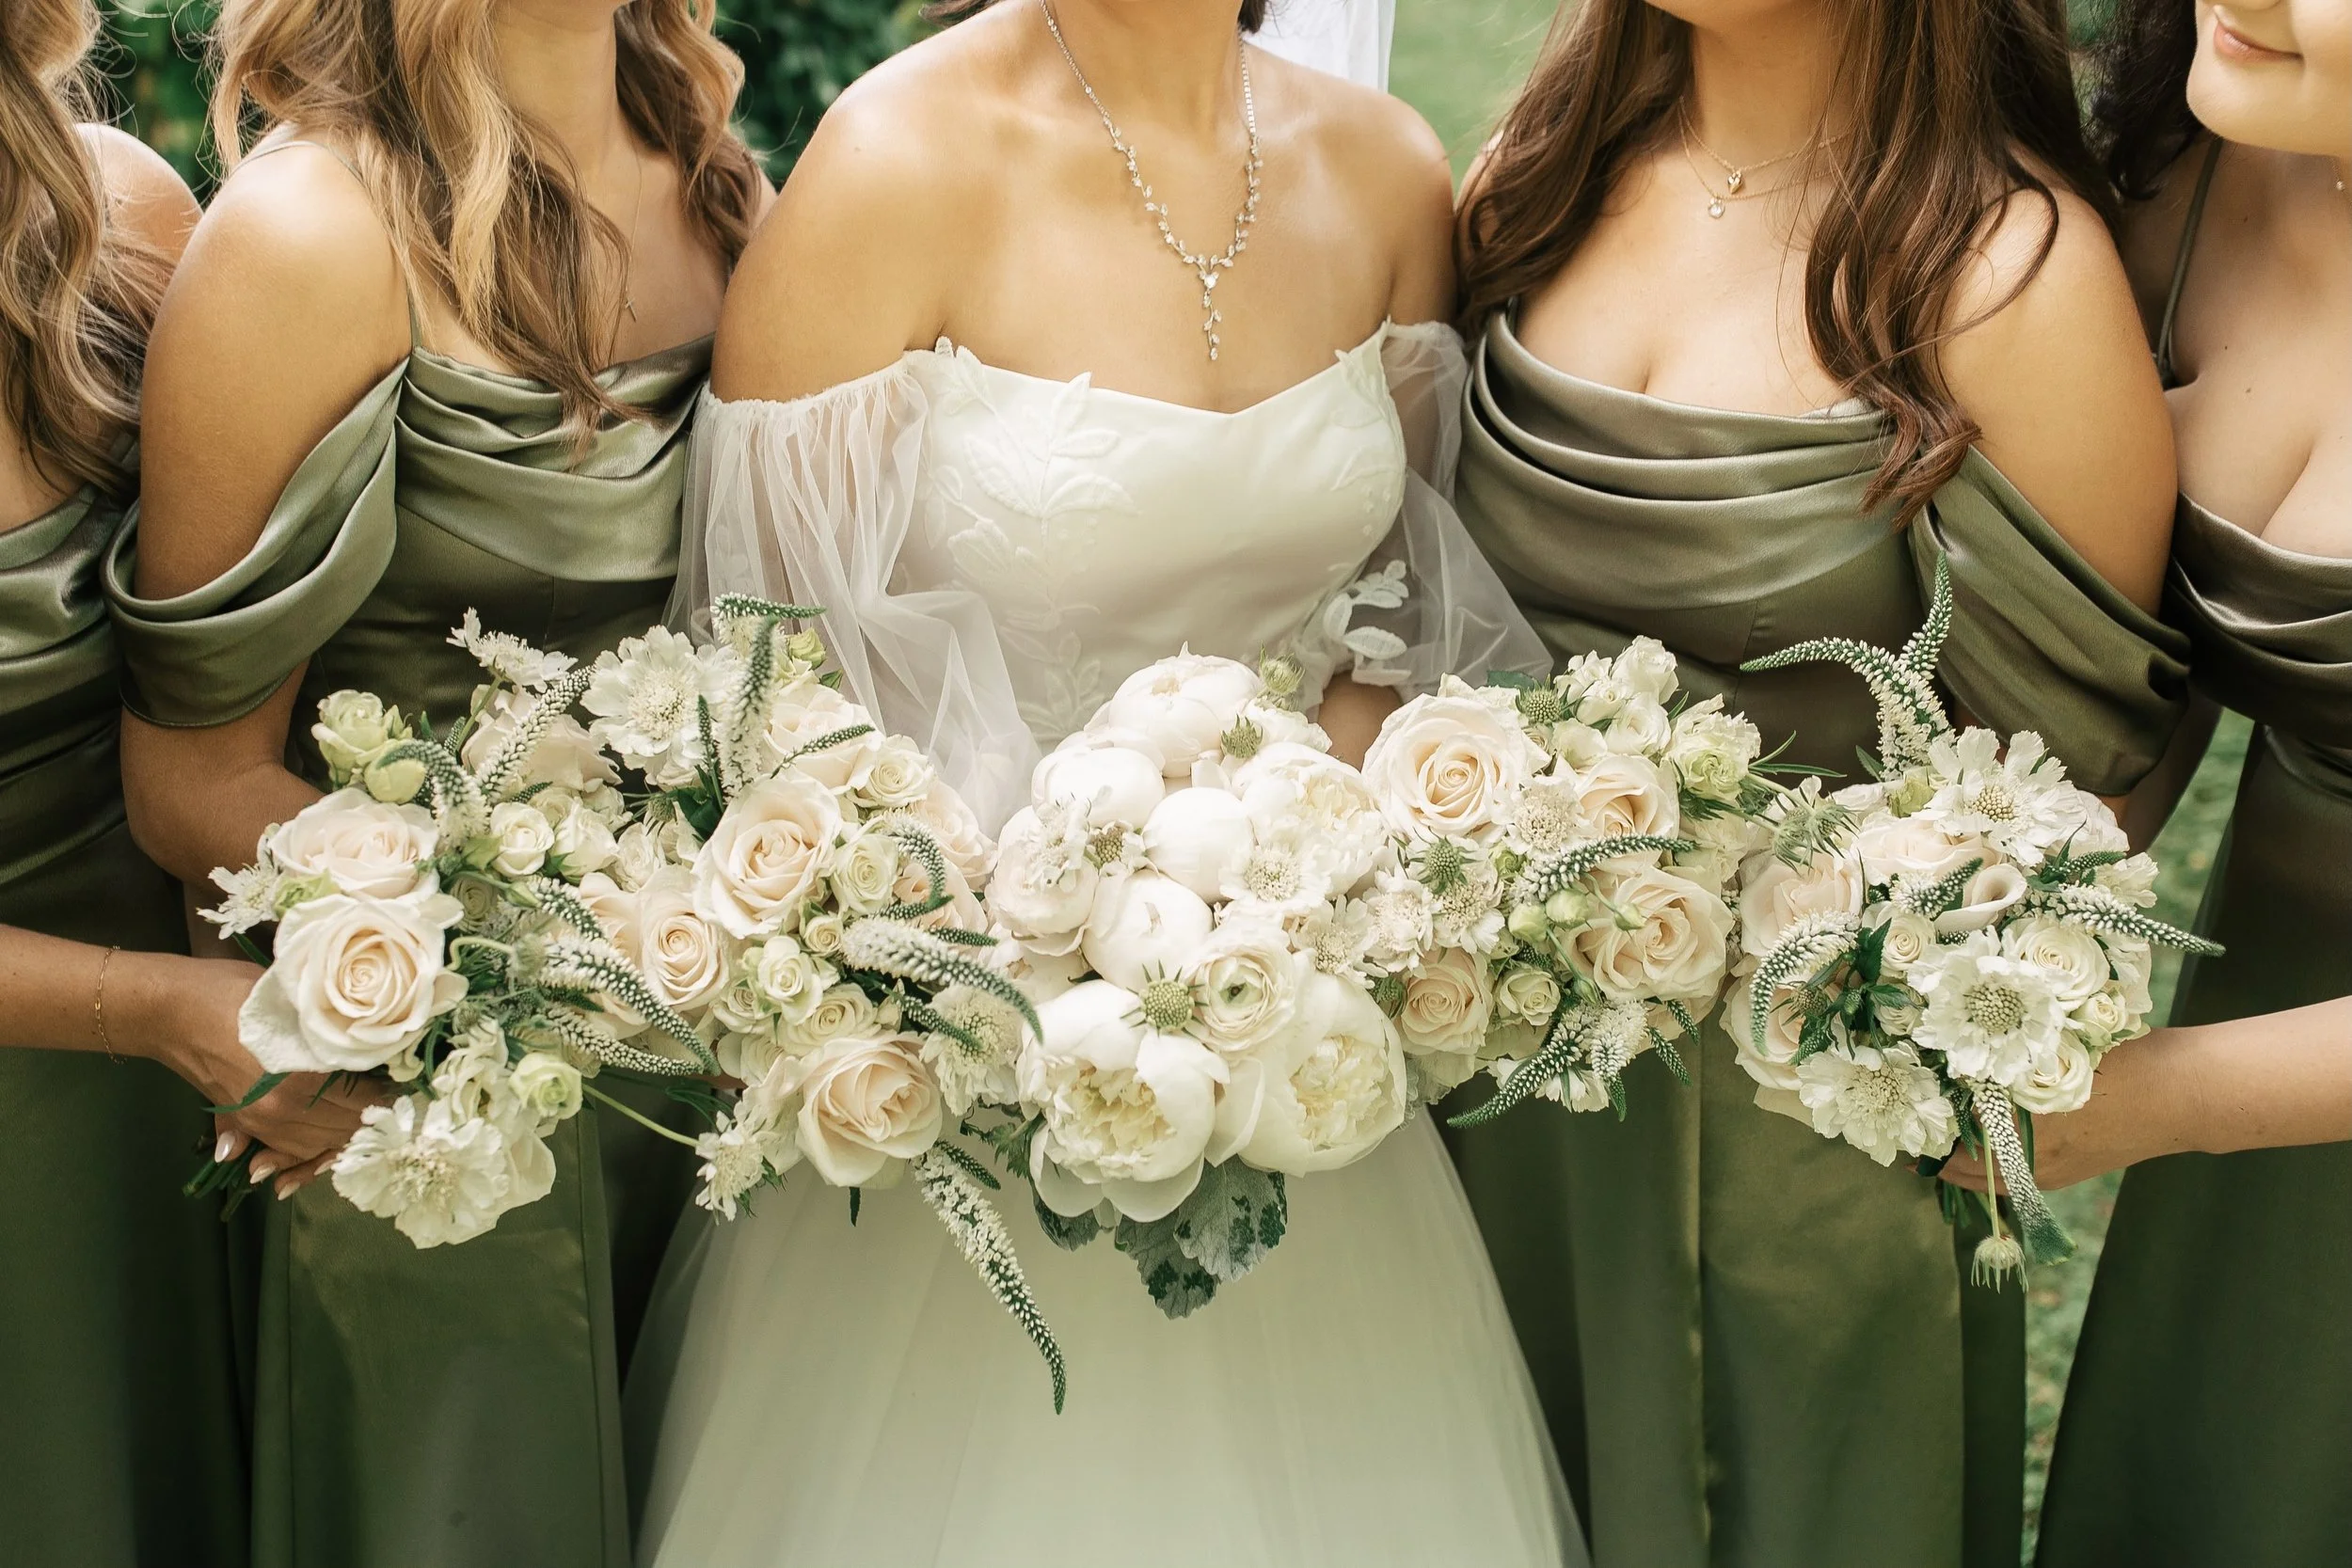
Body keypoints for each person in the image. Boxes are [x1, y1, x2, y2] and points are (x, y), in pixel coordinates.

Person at [622, 3, 1583, 1564]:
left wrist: (1277, 887)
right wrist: (1032, 932)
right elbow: (765, 671)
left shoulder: (1387, 172)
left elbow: (1399, 599)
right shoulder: (895, 161)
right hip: (968, 1045)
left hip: (1297, 1024)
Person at [1438, 3, 2187, 1565]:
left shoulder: (2005, 273)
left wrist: (1872, 956)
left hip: (1798, 1157)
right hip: (1481, 1093)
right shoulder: (1538, 177)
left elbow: (2083, 795)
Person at [106, 2, 766, 1563]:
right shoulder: (307, 237)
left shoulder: (722, 185)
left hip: (725, 1077)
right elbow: (191, 783)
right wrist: (539, 957)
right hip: (434, 1109)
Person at [1963, 4, 2351, 1562]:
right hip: (2277, 1059)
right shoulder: (2201, 163)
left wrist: (2146, 1102)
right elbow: (2142, 638)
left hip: (2252, 1084)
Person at [0, 4, 364, 1561]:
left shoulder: (117, 216)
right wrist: (146, 1005)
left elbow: (228, 693)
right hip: (113, 1049)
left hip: (212, 1093)